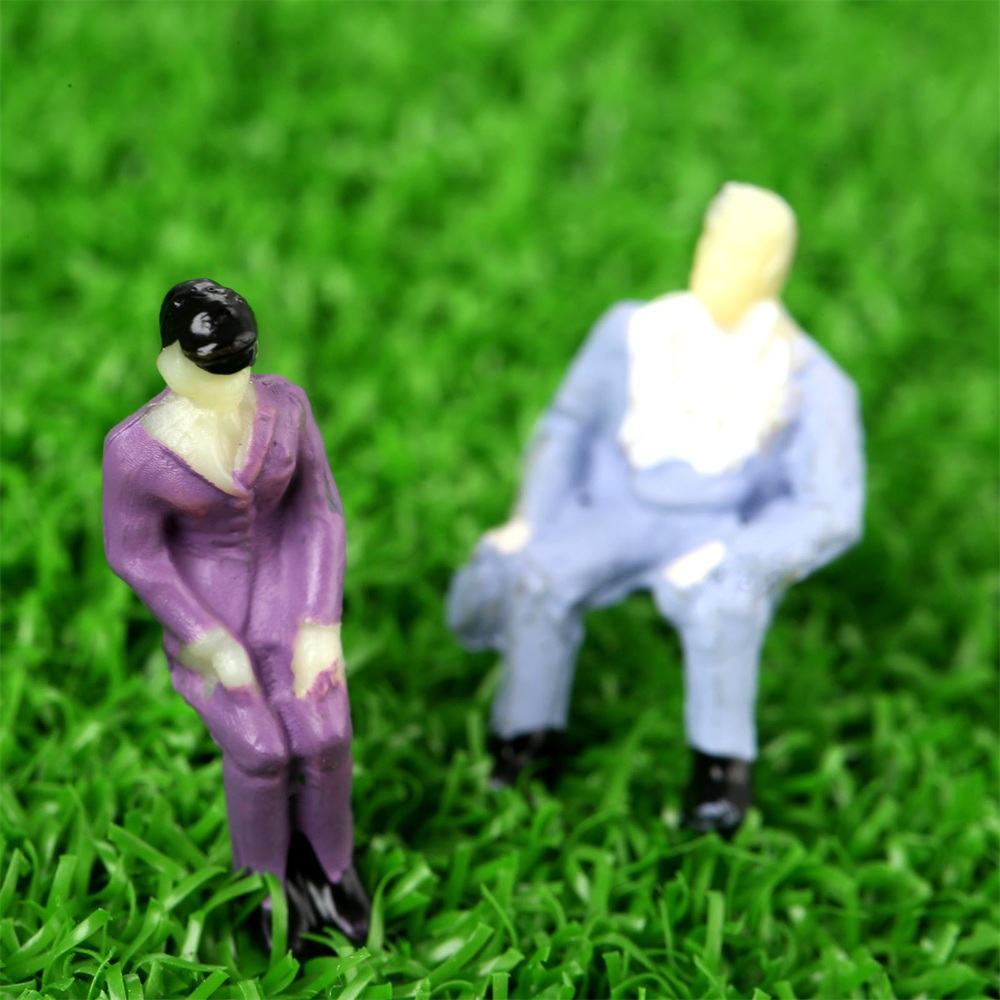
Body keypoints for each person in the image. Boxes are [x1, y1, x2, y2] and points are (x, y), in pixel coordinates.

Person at [447, 184, 865, 833]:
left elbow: (833, 510)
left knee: (727, 608)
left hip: (726, 524)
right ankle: (524, 742)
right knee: (539, 577)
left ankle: (720, 776)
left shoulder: (809, 380)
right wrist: (532, 515)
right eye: (710, 246)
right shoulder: (636, 331)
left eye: (736, 257)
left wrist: (734, 554)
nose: (714, 267)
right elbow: (567, 425)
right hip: (623, 503)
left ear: (771, 271)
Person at [103, 279, 370, 950]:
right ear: (171, 362)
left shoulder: (287, 406)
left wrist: (319, 622)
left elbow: (319, 514)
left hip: (291, 596)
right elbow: (135, 554)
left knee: (326, 734)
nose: (230, 386)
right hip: (210, 615)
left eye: (237, 367)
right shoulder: (135, 450)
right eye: (211, 370)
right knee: (260, 749)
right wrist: (205, 638)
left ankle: (331, 868)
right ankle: (266, 882)